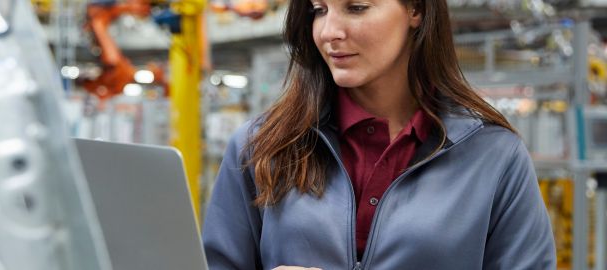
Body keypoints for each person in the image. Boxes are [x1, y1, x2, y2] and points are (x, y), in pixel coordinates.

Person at [201, 0, 556, 269]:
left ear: (415, 9)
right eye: (319, 9)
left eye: (356, 7)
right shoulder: (261, 145)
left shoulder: (494, 156)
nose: (328, 32)